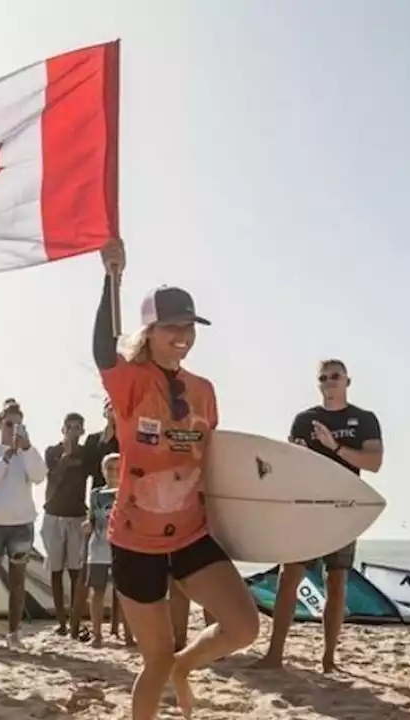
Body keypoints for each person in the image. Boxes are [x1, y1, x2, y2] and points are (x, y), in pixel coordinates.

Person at [93, 237, 259, 720]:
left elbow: (215, 464)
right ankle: (167, 672)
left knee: (244, 627)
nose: (183, 334)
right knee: (155, 659)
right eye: (172, 326)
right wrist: (111, 278)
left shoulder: (204, 391)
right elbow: (103, 348)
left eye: (189, 325)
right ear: (149, 330)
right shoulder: (130, 382)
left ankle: (185, 667)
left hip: (190, 533)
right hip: (135, 539)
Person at [254, 358, 384, 672]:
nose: (329, 381)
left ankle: (328, 658)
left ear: (347, 382)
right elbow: (290, 462)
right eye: (323, 377)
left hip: (343, 507)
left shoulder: (364, 419)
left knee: (336, 581)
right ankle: (274, 655)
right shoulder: (304, 420)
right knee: (289, 578)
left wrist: (334, 446)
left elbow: (374, 462)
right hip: (305, 507)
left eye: (335, 376)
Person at [0, 398, 47, 650]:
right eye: (9, 424)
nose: (13, 429)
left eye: (19, 425)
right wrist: (6, 457)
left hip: (21, 524)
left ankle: (14, 634)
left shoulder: (29, 453)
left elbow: (39, 475)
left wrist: (26, 449)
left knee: (18, 581)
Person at [75, 452, 133, 647]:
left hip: (122, 548)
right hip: (98, 549)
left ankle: (128, 636)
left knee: (125, 594)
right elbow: (92, 518)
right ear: (103, 471)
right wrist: (87, 525)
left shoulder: (128, 491)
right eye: (109, 468)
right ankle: (98, 635)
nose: (113, 472)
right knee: (97, 592)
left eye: (117, 468)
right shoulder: (96, 495)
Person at [42, 412, 91, 636]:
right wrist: (65, 456)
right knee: (55, 569)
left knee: (76, 571)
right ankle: (60, 621)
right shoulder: (52, 452)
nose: (73, 431)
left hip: (77, 516)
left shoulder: (86, 454)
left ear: (82, 431)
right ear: (63, 429)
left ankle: (75, 622)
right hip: (53, 515)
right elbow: (53, 478)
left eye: (77, 427)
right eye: (69, 427)